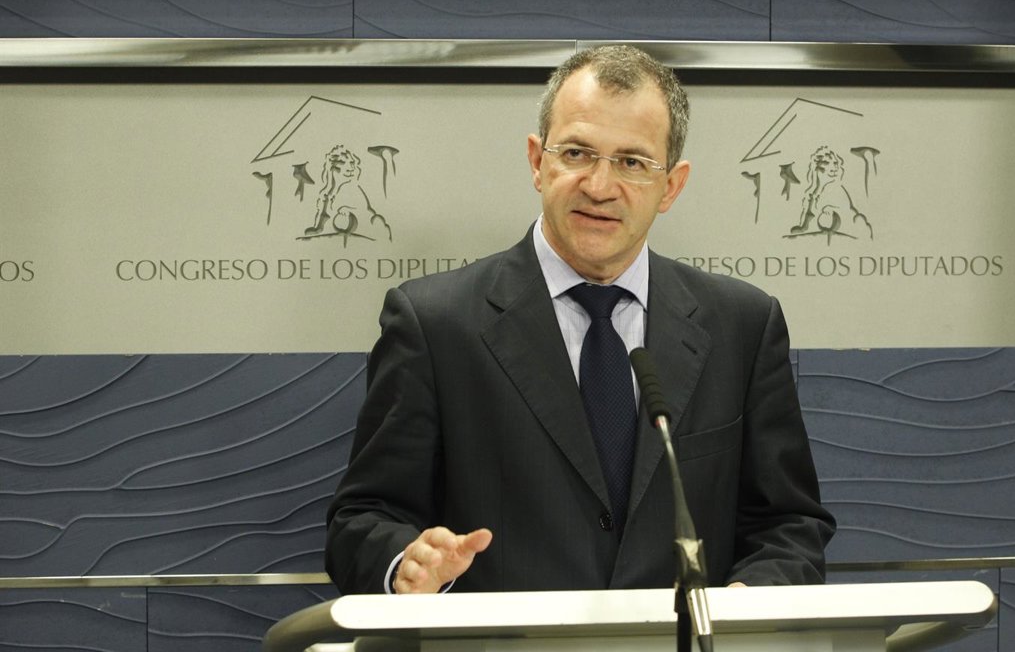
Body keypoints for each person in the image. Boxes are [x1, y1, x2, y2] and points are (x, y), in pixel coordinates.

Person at [325, 45, 835, 595]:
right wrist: (408, 565)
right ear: (536, 161)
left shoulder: (742, 326)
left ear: (671, 186)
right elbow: (362, 521)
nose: (599, 186)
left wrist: (749, 602)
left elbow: (789, 526)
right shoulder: (436, 323)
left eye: (632, 162)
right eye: (576, 153)